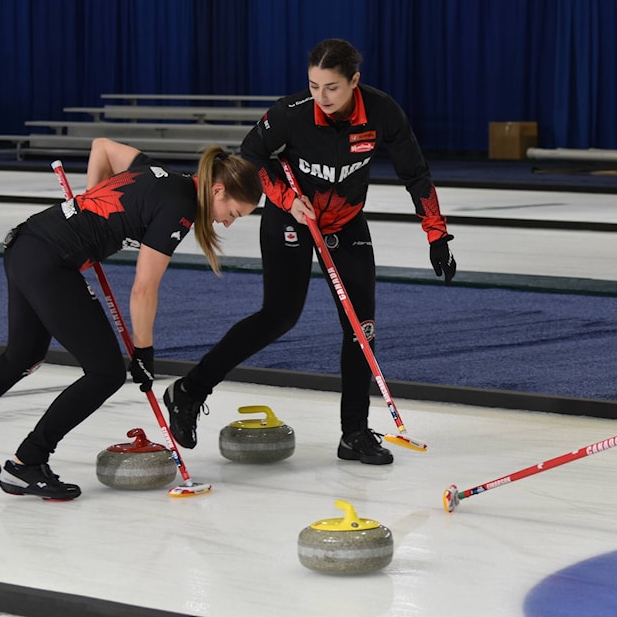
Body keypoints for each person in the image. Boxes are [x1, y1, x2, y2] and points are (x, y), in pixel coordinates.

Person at [162, 38, 457, 466]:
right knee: (279, 316)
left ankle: (353, 433)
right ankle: (189, 391)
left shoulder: (382, 111)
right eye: (314, 86)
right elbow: (252, 155)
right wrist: (285, 198)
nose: (321, 97)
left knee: (362, 329)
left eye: (331, 88)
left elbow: (416, 173)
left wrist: (437, 235)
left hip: (345, 220)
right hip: (292, 216)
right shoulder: (292, 112)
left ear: (354, 81)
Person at [0, 138, 262, 499]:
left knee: (23, 355)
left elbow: (103, 148)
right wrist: (144, 351)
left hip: (26, 244)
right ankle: (27, 463)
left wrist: (88, 209)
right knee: (105, 372)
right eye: (232, 213)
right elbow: (143, 288)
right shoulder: (179, 209)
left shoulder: (160, 174)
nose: (228, 223)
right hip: (48, 261)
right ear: (217, 189)